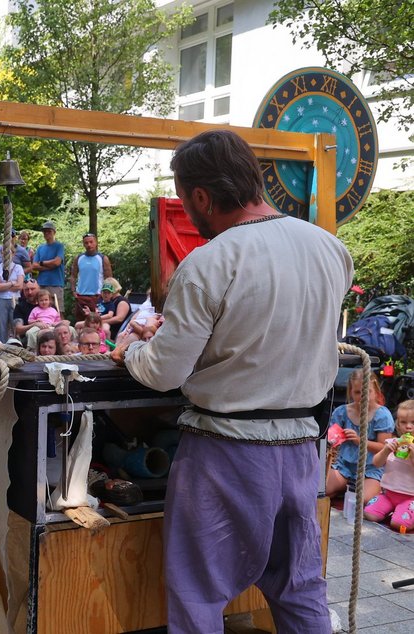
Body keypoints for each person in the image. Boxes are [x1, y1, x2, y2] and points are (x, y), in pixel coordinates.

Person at [111, 129, 353, 632]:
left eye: (185, 200)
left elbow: (164, 371)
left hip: (226, 453)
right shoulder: (330, 249)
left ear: (202, 197)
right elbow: (275, 332)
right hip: (301, 448)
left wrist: (131, 348)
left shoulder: (208, 263)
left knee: (198, 596)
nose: (188, 210)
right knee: (301, 589)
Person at [325, 369, 394, 503]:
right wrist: (335, 438)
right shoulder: (342, 412)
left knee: (363, 500)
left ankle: (351, 489)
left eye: (367, 392)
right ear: (351, 392)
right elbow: (331, 439)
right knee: (323, 490)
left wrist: (359, 440)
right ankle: (345, 487)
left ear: (376, 392)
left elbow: (383, 447)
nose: (363, 397)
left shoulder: (382, 415)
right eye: (357, 392)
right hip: (344, 465)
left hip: (371, 468)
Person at [364, 400, 414, 531]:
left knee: (399, 524)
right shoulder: (392, 442)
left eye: (413, 422)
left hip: (410, 497)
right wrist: (386, 450)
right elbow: (376, 463)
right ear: (398, 424)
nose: (408, 427)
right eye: (403, 422)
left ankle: (402, 512)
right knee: (369, 514)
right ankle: (393, 509)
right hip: (388, 494)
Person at [69, 232, 113, 321]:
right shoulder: (79, 258)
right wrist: (73, 291)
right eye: (86, 243)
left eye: (91, 242)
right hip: (81, 296)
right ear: (83, 244)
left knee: (95, 322)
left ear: (96, 242)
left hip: (97, 296)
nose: (89, 245)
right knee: (80, 322)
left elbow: (109, 278)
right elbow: (73, 276)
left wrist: (106, 294)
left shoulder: (102, 258)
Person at [31, 221, 65, 313]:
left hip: (56, 284)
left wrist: (42, 263)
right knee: (41, 311)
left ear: (54, 232)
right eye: (44, 231)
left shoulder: (59, 246)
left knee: (58, 311)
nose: (46, 233)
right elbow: (34, 265)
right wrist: (50, 266)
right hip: (41, 284)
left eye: (49, 231)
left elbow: (57, 262)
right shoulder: (40, 248)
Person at [0, 251, 24, 343]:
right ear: (1, 254)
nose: (6, 255)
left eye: (9, 253)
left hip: (15, 299)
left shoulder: (18, 268)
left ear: (13, 254)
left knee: (15, 326)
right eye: (3, 253)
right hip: (0, 299)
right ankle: (2, 346)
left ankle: (17, 345)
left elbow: (20, 286)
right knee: (2, 328)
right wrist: (12, 283)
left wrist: (3, 285)